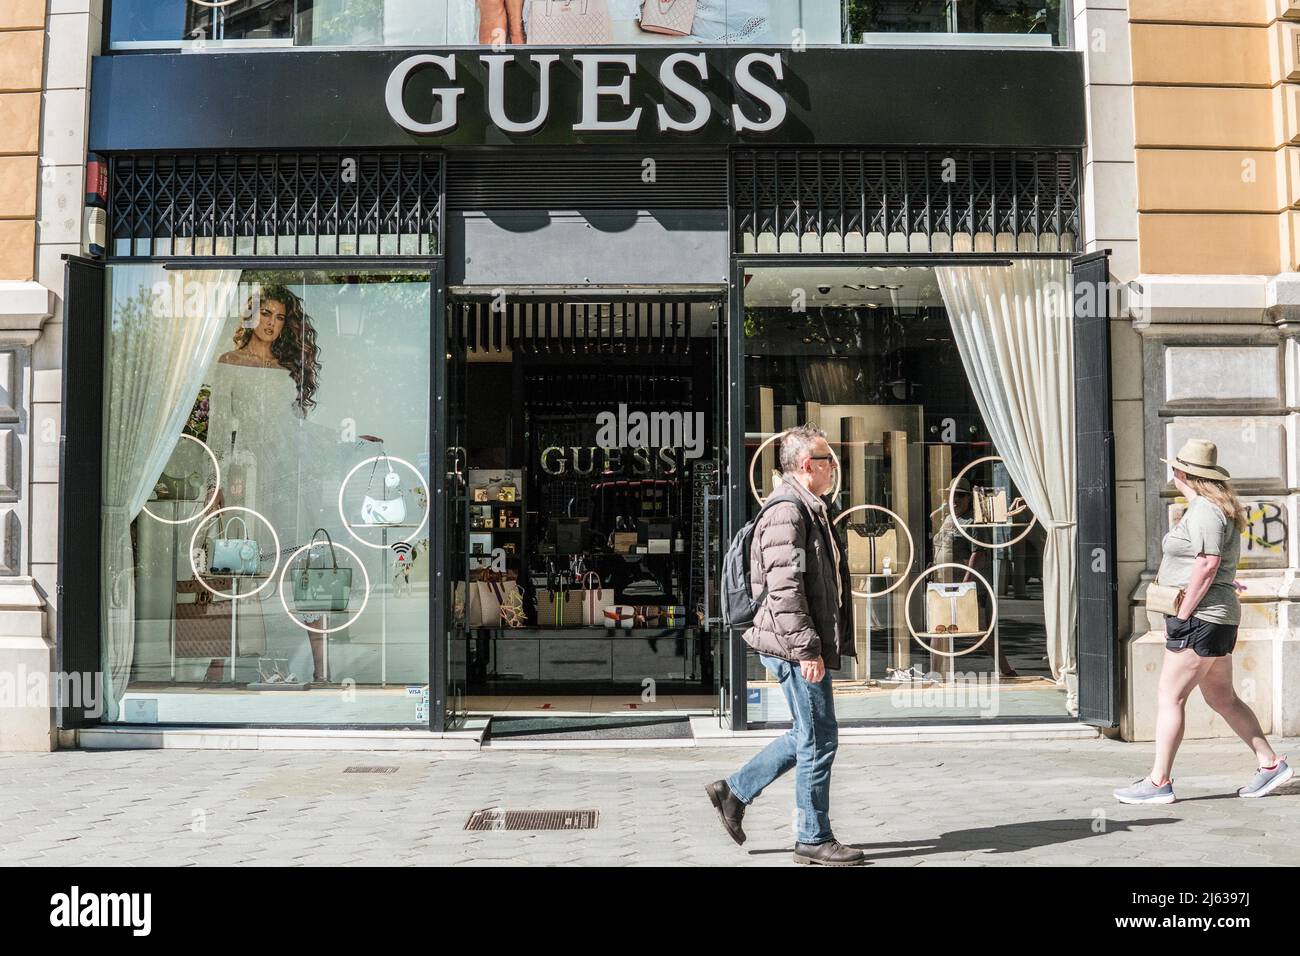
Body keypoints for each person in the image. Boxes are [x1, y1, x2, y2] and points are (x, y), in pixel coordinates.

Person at [705, 424, 863, 866]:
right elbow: (784, 589)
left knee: (811, 733)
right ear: (808, 465)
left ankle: (733, 792)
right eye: (829, 459)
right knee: (819, 739)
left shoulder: (809, 508)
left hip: (792, 642)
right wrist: (808, 650)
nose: (835, 466)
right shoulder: (787, 512)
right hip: (792, 645)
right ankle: (812, 836)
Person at [1114, 439, 1291, 804]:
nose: (1172, 473)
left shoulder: (1206, 510)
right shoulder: (1209, 508)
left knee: (1170, 696)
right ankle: (1270, 764)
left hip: (1201, 617)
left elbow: (1207, 564)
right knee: (1222, 697)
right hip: (1213, 616)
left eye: (1174, 468)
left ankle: (1159, 781)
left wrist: (1182, 613)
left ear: (1183, 474)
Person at [205, 283, 325, 682]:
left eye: (279, 317)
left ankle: (323, 670)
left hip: (292, 476)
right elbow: (219, 432)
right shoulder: (230, 362)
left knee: (301, 570)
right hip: (250, 478)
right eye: (266, 314)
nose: (272, 323)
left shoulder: (286, 371)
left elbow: (298, 430)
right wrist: (214, 485)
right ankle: (217, 666)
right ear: (252, 315)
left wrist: (348, 441)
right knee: (241, 567)